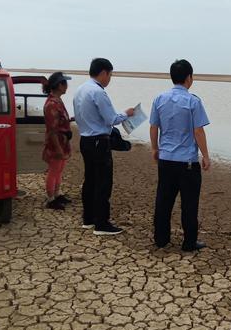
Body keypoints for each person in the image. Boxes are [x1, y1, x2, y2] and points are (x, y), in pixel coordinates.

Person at [150, 59, 211, 252]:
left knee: (164, 201)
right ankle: (189, 242)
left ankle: (161, 238)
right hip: (187, 163)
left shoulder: (159, 98)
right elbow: (198, 131)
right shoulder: (193, 100)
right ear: (189, 78)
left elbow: (154, 126)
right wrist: (206, 156)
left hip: (166, 159)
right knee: (189, 204)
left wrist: (154, 148)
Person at [73, 58, 135, 236]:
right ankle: (102, 224)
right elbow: (112, 119)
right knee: (103, 182)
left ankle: (89, 219)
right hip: (99, 141)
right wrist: (127, 113)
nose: (110, 79)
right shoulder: (98, 92)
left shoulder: (80, 89)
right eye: (110, 75)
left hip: (85, 139)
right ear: (103, 73)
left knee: (90, 180)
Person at [42, 72, 72, 210]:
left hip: (63, 141)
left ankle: (57, 193)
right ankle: (51, 198)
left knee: (59, 169)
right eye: (64, 83)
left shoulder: (57, 101)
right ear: (59, 85)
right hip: (56, 143)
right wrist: (58, 148)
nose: (67, 86)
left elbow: (60, 121)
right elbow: (52, 129)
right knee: (54, 170)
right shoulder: (51, 104)